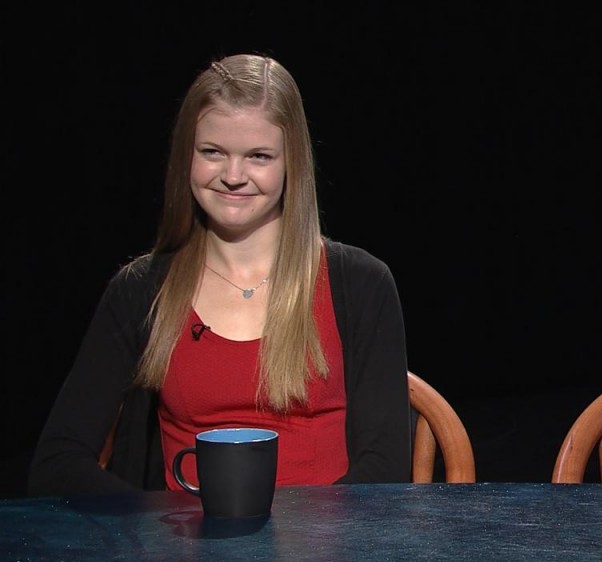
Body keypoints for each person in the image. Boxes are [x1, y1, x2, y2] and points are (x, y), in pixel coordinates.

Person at [28, 54, 411, 495]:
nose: (233, 176)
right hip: (184, 553)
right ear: (186, 156)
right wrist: (150, 529)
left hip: (327, 553)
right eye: (213, 152)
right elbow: (58, 460)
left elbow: (385, 468)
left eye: (259, 156)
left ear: (292, 164)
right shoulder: (141, 290)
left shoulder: (360, 284)